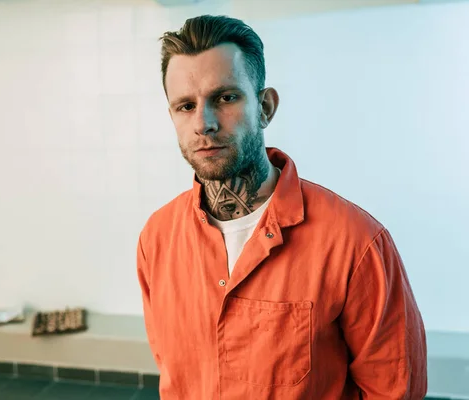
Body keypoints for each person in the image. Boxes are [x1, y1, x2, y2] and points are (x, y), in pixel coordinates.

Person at [136, 14, 427, 400]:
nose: (203, 123)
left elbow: (394, 391)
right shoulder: (157, 239)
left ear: (265, 107)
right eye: (185, 106)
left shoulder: (355, 243)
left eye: (225, 98)